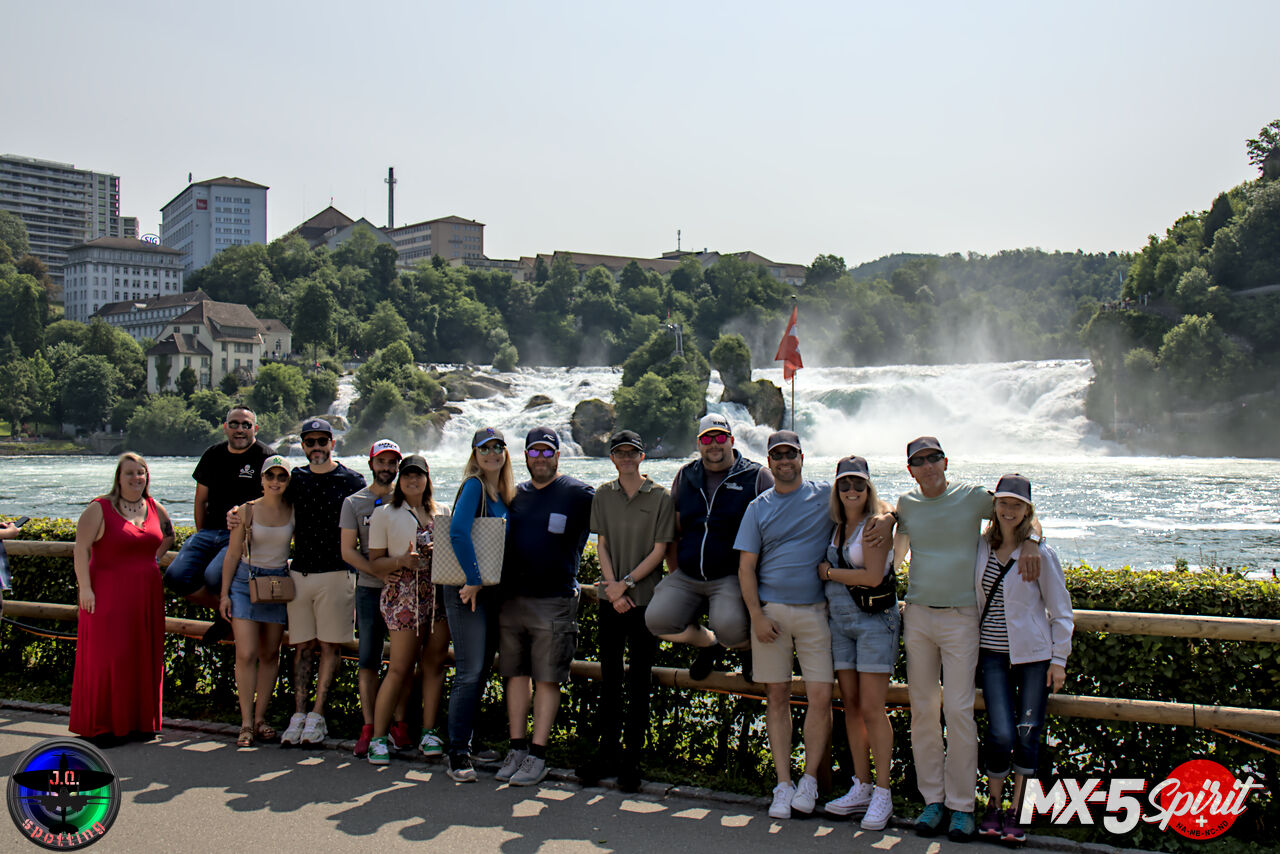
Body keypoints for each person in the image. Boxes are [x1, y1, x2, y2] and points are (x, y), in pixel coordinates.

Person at [894, 436, 1042, 842]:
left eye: (933, 458)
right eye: (918, 461)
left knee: (958, 710)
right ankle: (932, 801)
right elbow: (887, 525)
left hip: (961, 619)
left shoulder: (972, 497)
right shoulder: (906, 504)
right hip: (919, 615)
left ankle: (962, 806)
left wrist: (1031, 540)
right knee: (923, 709)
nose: (927, 466)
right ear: (910, 469)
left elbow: (1019, 511)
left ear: (945, 461)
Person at [735, 431, 835, 820]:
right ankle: (783, 783)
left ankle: (809, 779)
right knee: (776, 697)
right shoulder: (758, 508)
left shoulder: (826, 496)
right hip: (772, 614)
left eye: (790, 454)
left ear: (802, 457)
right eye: (777, 456)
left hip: (815, 612)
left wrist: (889, 517)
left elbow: (870, 503)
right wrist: (756, 615)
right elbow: (745, 567)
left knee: (821, 698)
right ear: (769, 462)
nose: (784, 461)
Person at [974, 475, 1073, 845]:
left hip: (1033, 656)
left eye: (1017, 505)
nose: (1009, 510)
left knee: (1027, 733)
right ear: (994, 507)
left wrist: (1058, 660)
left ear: (1028, 509)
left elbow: (1061, 611)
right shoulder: (980, 548)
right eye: (1003, 503)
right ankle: (994, 804)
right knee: (1000, 731)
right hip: (993, 655)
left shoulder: (1041, 554)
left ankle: (1017, 810)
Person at [495, 426, 594, 787]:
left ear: (558, 454)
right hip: (511, 599)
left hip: (555, 599)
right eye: (534, 452)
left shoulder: (579, 493)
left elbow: (611, 530)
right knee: (515, 674)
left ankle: (538, 754)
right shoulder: (513, 495)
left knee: (549, 677)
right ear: (524, 457)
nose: (540, 458)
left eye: (546, 452)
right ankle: (517, 748)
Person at [578, 430, 675, 792]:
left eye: (632, 452)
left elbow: (660, 549)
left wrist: (628, 584)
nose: (626, 458)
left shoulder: (661, 496)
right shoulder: (603, 494)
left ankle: (632, 760)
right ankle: (607, 755)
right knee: (610, 680)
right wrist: (612, 587)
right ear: (613, 458)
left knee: (638, 682)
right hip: (611, 600)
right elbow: (601, 545)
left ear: (642, 456)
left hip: (645, 600)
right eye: (620, 453)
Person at [645, 413, 773, 680]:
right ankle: (709, 644)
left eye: (720, 437)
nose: (714, 443)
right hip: (688, 574)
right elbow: (676, 529)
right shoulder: (685, 476)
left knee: (730, 627)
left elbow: (779, 523)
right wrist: (675, 571)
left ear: (731, 440)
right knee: (656, 620)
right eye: (707, 438)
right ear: (699, 443)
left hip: (730, 575)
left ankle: (746, 650)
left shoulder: (757, 476)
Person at [816, 456, 898, 831]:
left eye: (859, 485)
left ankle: (884, 791)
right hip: (840, 623)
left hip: (873, 623)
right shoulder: (833, 525)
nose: (852, 491)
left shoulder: (875, 525)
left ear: (869, 489)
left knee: (872, 707)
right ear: (836, 489)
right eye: (845, 485)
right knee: (849, 704)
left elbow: (872, 575)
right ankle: (861, 786)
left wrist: (830, 572)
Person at [71, 453, 174, 745]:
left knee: (143, 655)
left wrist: (150, 559)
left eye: (140, 473)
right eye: (129, 473)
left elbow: (169, 536)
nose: (135, 478)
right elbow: (81, 550)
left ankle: (141, 722)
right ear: (118, 477)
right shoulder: (99, 508)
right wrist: (85, 589)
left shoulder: (155, 507)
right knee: (109, 657)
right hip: (107, 592)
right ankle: (103, 726)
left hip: (146, 592)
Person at [278, 418, 366, 746]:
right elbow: (268, 506)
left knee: (330, 646)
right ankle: (298, 714)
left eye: (322, 441)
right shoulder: (293, 479)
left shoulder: (352, 480)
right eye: (310, 442)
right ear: (302, 446)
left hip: (337, 573)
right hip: (300, 573)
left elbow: (372, 518)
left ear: (332, 442)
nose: (316, 448)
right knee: (301, 647)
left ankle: (317, 716)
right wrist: (239, 514)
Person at [164, 406, 271, 643]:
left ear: (256, 428)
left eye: (246, 424)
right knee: (175, 577)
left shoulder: (266, 458)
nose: (240, 429)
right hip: (209, 532)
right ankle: (228, 616)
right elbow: (200, 499)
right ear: (225, 427)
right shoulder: (213, 454)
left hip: (241, 536)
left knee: (214, 577)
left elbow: (276, 501)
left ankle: (228, 618)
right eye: (234, 424)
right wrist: (201, 533)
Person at [444, 426, 514, 783]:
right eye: (484, 448)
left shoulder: (502, 493)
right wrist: (472, 579)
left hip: (490, 592)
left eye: (498, 446)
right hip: (467, 591)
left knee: (482, 670)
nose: (492, 453)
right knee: (470, 671)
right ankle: (457, 753)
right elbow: (457, 530)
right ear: (474, 453)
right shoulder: (474, 485)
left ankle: (468, 741)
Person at [365, 455, 443, 765]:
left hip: (437, 597)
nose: (413, 480)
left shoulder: (442, 512)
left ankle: (428, 731)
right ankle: (378, 738)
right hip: (402, 598)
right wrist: (401, 561)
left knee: (434, 665)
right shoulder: (385, 513)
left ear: (427, 479)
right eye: (408, 475)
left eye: (419, 475)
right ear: (401, 479)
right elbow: (375, 562)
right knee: (399, 668)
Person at [340, 439, 413, 757]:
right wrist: (379, 572)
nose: (387, 468)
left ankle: (399, 724)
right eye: (381, 462)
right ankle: (369, 726)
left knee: (403, 662)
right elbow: (346, 550)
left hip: (404, 593)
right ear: (371, 464)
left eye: (392, 462)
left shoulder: (409, 500)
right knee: (368, 659)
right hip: (370, 590)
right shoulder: (354, 502)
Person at [219, 455, 294, 747]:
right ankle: (246, 722)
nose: (275, 482)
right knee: (246, 653)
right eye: (270, 476)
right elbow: (232, 554)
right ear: (261, 479)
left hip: (277, 584)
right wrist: (224, 593)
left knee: (270, 654)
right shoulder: (245, 511)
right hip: (244, 581)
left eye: (282, 477)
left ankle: (261, 718)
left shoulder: (293, 510)